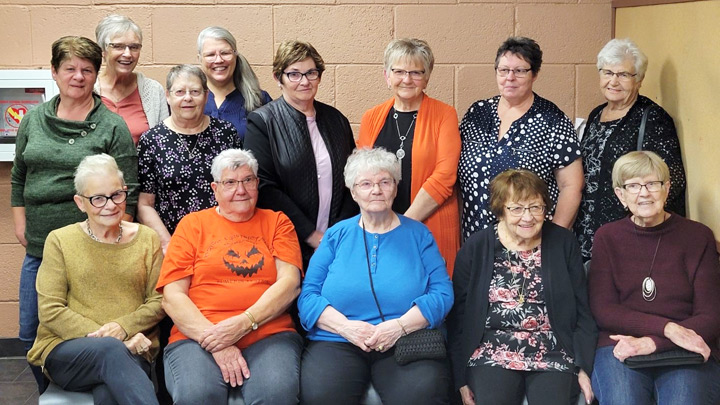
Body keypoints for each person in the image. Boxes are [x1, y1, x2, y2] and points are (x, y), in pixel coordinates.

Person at [10, 35, 138, 389]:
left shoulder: (111, 125)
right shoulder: (33, 120)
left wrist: (111, 239)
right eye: (69, 68)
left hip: (92, 251)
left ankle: (90, 387)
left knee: (87, 328)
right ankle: (50, 392)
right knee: (29, 331)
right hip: (39, 246)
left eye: (87, 70)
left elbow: (129, 188)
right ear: (54, 72)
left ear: (96, 75)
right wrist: (20, 223)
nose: (78, 77)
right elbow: (20, 173)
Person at [298, 147, 454, 405]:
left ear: (395, 187)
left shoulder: (419, 234)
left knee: (423, 395)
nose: (376, 190)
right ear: (353, 191)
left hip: (405, 339)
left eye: (385, 182)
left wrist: (398, 327)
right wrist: (346, 328)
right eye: (366, 183)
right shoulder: (336, 235)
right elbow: (308, 296)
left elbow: (442, 293)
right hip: (338, 340)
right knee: (321, 396)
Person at [157, 149, 304, 405]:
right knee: (198, 395)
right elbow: (172, 296)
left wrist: (243, 323)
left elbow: (289, 284)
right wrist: (217, 340)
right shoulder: (192, 225)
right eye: (230, 183)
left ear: (257, 184)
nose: (241, 190)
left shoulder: (277, 222)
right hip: (197, 337)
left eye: (248, 180)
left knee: (275, 395)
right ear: (215, 188)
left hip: (269, 333)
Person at [448, 169, 597, 405]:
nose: (527, 217)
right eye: (516, 208)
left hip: (553, 349)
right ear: (500, 210)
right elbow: (458, 318)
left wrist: (583, 367)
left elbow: (582, 313)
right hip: (492, 350)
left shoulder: (563, 243)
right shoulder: (477, 247)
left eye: (535, 207)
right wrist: (460, 380)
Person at [27, 154, 163, 404]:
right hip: (68, 349)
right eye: (98, 199)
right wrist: (117, 337)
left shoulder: (147, 239)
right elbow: (50, 311)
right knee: (112, 352)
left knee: (110, 392)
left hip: (133, 347)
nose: (110, 205)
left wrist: (123, 327)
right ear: (80, 203)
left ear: (125, 193)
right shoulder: (60, 240)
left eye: (116, 195)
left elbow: (158, 300)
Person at [588, 151, 720, 405]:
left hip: (686, 347)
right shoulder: (607, 237)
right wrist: (667, 328)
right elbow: (604, 310)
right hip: (620, 344)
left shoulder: (698, 236)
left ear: (667, 188)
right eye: (633, 186)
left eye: (652, 184)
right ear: (620, 195)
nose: (644, 193)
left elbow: (711, 316)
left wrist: (654, 342)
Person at [244, 40, 357, 268]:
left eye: (311, 73)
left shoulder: (337, 120)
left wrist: (334, 235)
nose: (304, 81)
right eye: (294, 74)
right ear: (278, 78)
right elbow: (265, 187)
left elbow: (354, 178)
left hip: (336, 241)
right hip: (284, 242)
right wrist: (311, 236)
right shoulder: (262, 122)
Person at [458, 37, 583, 241]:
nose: (510, 77)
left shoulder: (552, 120)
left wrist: (555, 241)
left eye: (520, 71)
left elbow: (571, 186)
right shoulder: (477, 113)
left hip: (530, 243)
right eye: (503, 70)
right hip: (475, 240)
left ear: (534, 74)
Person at [574, 39, 686, 262]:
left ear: (640, 80)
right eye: (607, 72)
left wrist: (638, 217)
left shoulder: (653, 118)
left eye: (624, 75)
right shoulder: (597, 114)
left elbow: (671, 180)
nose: (613, 81)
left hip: (629, 236)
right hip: (585, 231)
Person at [357, 38, 460, 276]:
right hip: (378, 227)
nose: (407, 79)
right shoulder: (371, 118)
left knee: (431, 298)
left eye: (416, 72)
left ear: (427, 77)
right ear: (387, 75)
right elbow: (363, 174)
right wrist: (384, 225)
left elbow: (445, 177)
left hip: (430, 223)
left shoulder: (445, 115)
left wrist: (402, 224)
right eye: (399, 71)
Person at [137, 64, 240, 253]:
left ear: (206, 95)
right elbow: (145, 204)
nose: (188, 98)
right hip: (173, 242)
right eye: (180, 92)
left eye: (195, 91)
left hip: (224, 241)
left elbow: (239, 190)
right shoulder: (151, 140)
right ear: (168, 96)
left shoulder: (226, 133)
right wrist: (168, 245)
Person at [95, 14, 169, 145]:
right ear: (103, 50)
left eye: (134, 47)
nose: (128, 54)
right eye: (118, 46)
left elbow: (164, 143)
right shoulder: (88, 89)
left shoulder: (153, 91)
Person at [197, 26, 270, 141]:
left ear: (235, 55)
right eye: (210, 55)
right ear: (199, 59)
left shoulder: (259, 100)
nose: (219, 60)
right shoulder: (191, 101)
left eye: (225, 53)